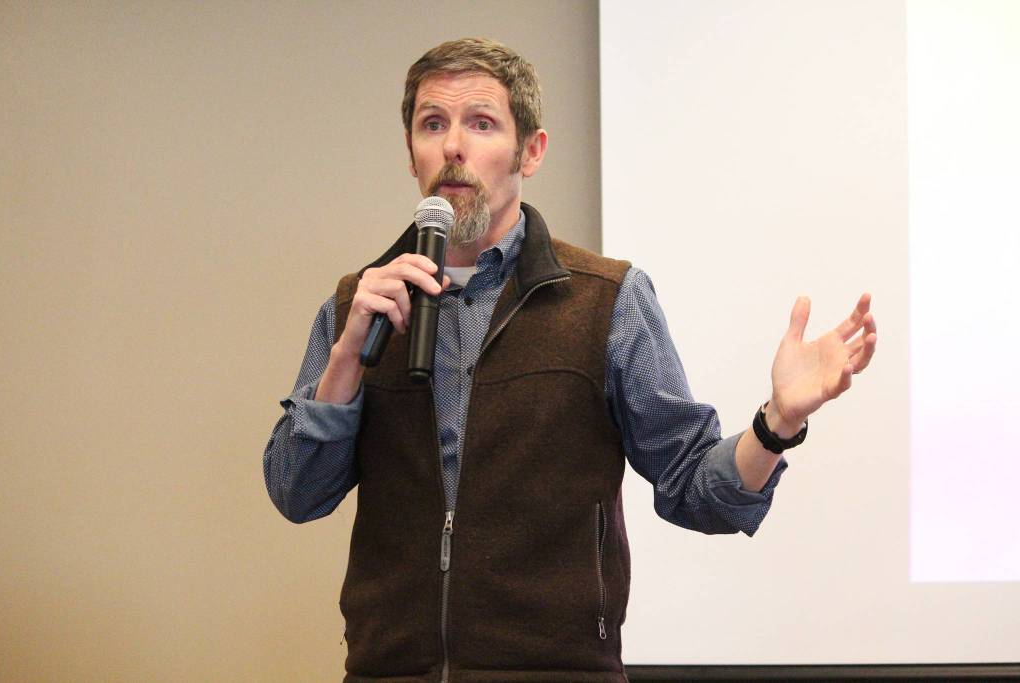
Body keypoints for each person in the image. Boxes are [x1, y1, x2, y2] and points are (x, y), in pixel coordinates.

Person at [263, 37, 877, 682]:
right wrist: (345, 363)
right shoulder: (357, 307)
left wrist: (777, 421)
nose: (453, 146)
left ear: (530, 151)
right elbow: (297, 494)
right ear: (410, 153)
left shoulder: (605, 299)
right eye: (432, 124)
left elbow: (697, 489)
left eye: (481, 123)